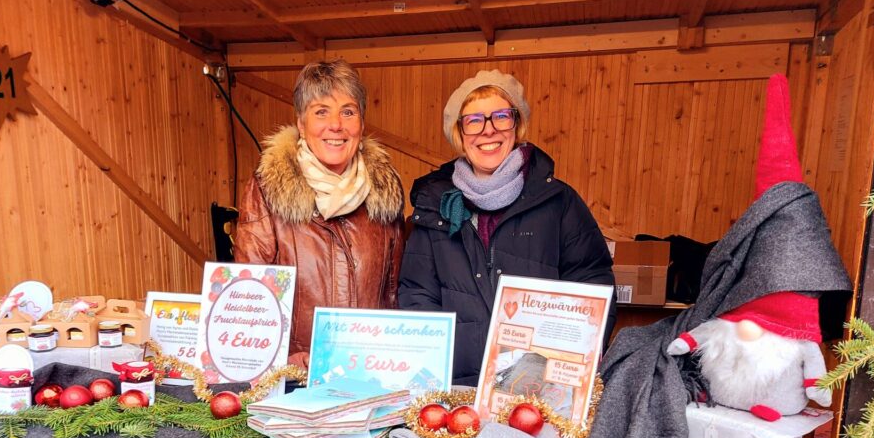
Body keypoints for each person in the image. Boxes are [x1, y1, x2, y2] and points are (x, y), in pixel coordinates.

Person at [398, 69, 615, 385]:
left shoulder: (558, 202)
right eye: (474, 120)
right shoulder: (435, 206)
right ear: (459, 133)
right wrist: (433, 371)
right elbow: (417, 293)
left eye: (501, 116)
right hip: (454, 387)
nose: (488, 130)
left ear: (517, 124)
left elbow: (592, 282)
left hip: (537, 389)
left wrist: (570, 362)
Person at [234, 59, 406, 367]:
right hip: (293, 377)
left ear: (361, 123)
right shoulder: (266, 190)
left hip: (369, 372)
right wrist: (283, 360)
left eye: (348, 112)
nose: (336, 125)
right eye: (321, 111)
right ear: (301, 124)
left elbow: (394, 295)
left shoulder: (385, 192)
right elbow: (249, 298)